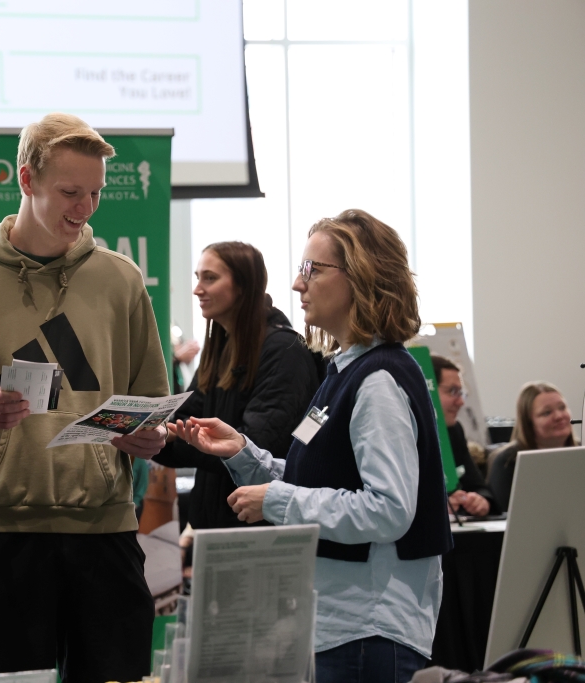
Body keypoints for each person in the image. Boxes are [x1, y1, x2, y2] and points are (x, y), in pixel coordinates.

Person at [0, 113, 169, 682]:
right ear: (26, 180)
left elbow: (153, 401)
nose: (86, 208)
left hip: (105, 534)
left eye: (96, 193)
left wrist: (153, 436)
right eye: (70, 192)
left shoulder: (121, 280)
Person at [169, 209, 453, 683]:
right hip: (342, 623)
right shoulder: (346, 371)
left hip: (369, 626)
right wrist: (243, 453)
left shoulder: (378, 380)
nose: (298, 286)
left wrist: (276, 501)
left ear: (360, 276)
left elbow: (388, 510)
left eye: (312, 270)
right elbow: (320, 479)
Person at [153, 243, 321, 530]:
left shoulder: (284, 351)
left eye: (210, 278)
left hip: (259, 531)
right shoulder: (220, 348)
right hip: (218, 525)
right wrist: (156, 434)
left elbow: (259, 449)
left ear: (243, 285)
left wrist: (175, 437)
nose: (197, 290)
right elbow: (186, 417)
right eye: (197, 277)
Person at [487, 381, 577, 513]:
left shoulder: (581, 453)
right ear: (528, 423)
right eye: (547, 413)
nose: (559, 416)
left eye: (562, 408)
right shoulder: (508, 462)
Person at [430, 354, 497, 517]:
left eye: (461, 393)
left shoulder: (453, 430)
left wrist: (480, 501)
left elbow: (478, 487)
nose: (461, 402)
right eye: (453, 391)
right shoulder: (402, 437)